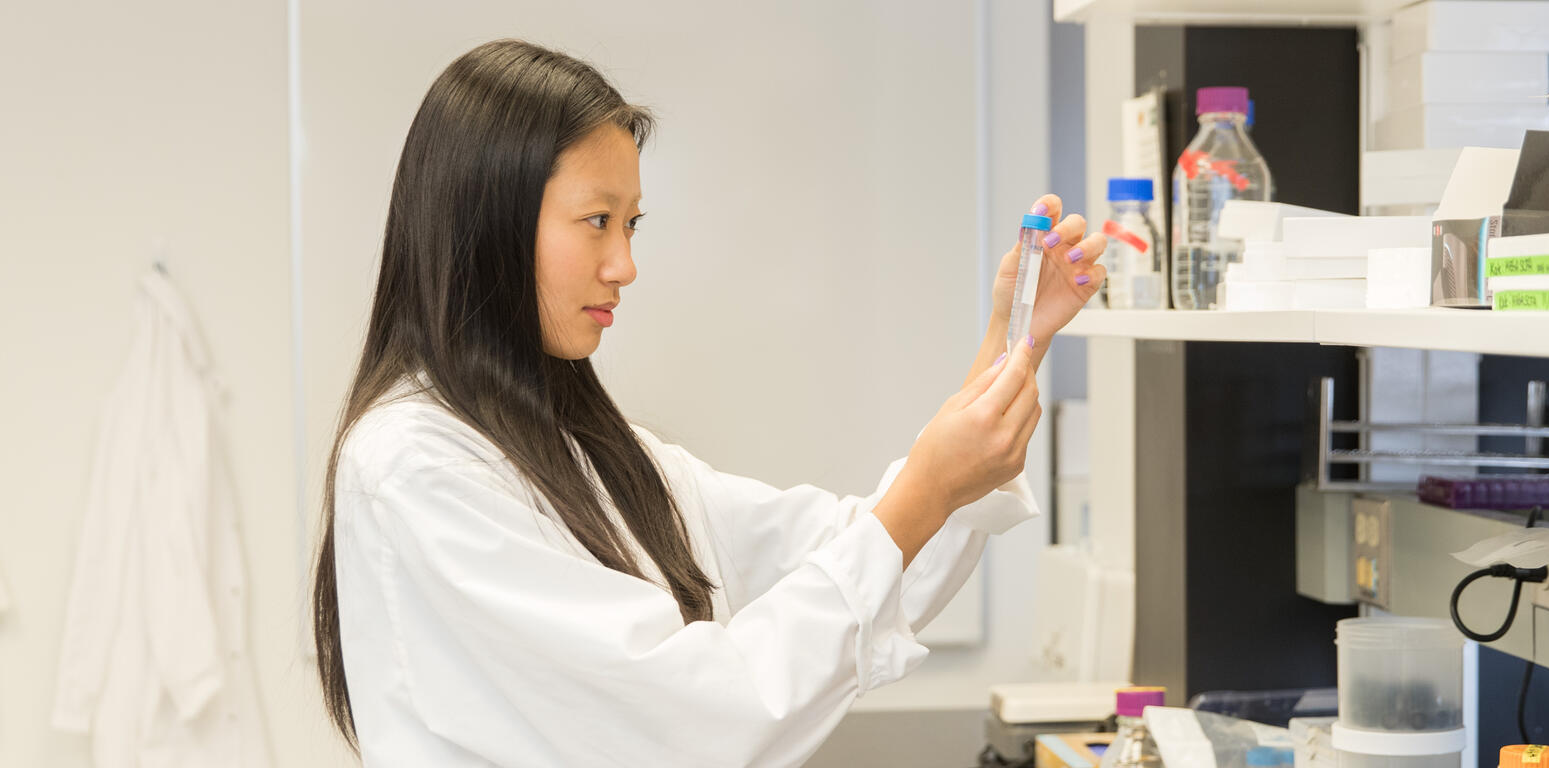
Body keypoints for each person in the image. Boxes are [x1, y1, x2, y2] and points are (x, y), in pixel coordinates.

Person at [309, 39, 1106, 766]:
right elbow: (680, 718)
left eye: (631, 225)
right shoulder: (413, 465)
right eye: (596, 222)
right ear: (489, 222)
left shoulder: (590, 446)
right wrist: (928, 490)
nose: (624, 265)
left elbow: (850, 546)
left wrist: (1009, 349)